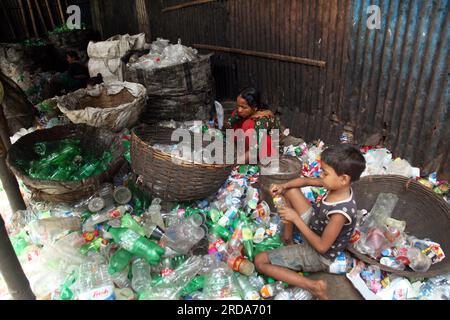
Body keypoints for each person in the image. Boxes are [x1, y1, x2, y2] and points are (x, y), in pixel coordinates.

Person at [254, 144, 366, 300]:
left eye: (324, 173)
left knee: (260, 261)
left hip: (319, 254)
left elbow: (322, 247)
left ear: (344, 179)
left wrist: (295, 219)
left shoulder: (340, 213)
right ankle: (288, 239)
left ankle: (313, 286)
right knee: (291, 191)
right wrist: (283, 186)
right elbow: (306, 181)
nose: (321, 175)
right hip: (315, 225)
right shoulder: (336, 185)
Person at [225, 87, 281, 164]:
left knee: (248, 125)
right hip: (251, 144)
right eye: (238, 106)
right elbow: (229, 125)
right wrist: (222, 123)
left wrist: (238, 162)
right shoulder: (240, 112)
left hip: (266, 147)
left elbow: (257, 147)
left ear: (255, 108)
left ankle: (257, 158)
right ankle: (243, 152)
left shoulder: (262, 120)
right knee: (235, 115)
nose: (239, 110)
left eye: (244, 107)